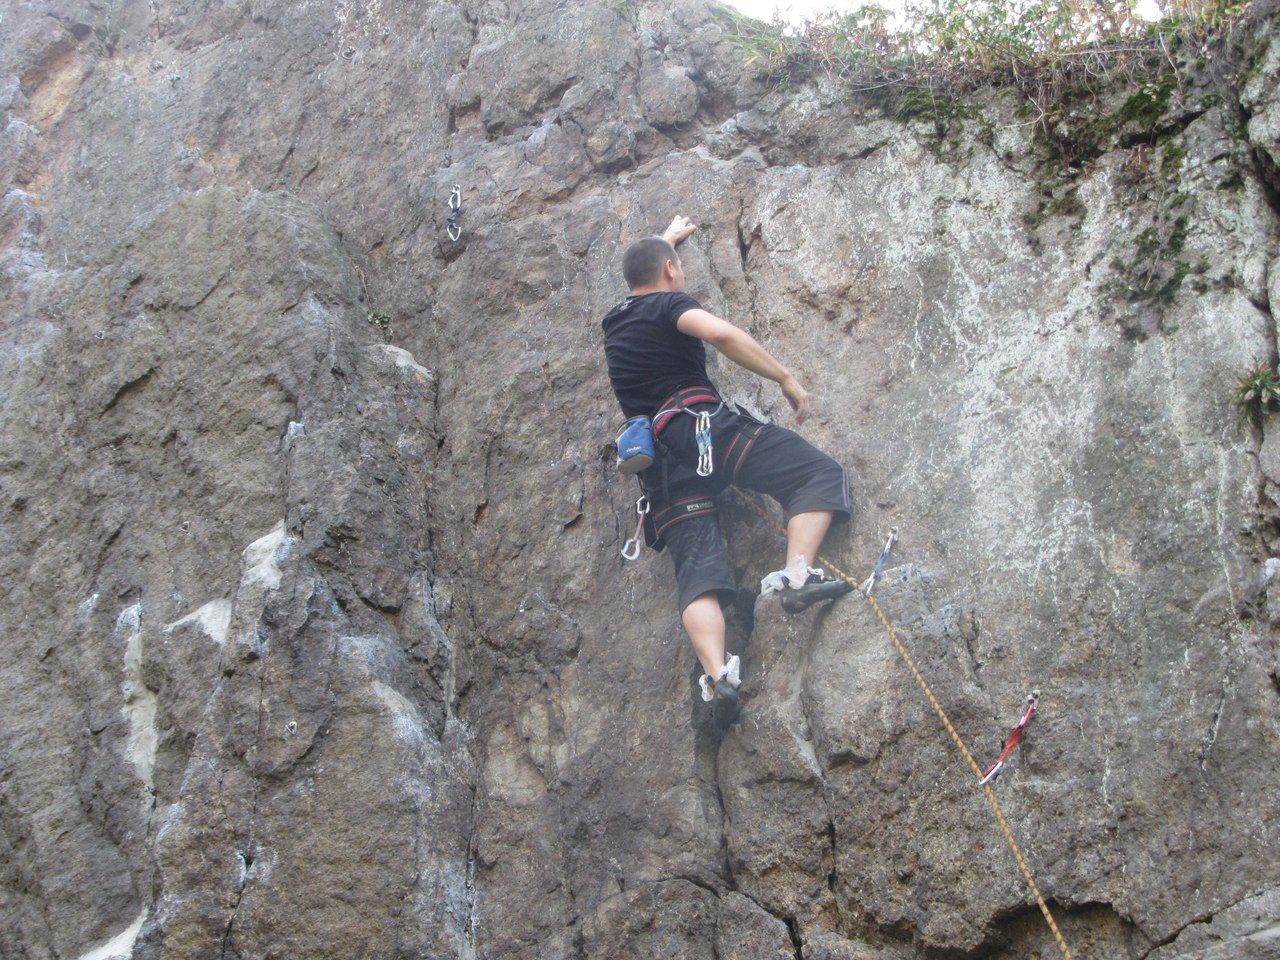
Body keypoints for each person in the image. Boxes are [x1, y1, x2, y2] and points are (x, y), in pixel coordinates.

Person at [601, 215, 854, 722]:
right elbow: (717, 333)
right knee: (816, 474)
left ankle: (718, 677)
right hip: (705, 432)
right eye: (676, 267)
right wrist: (784, 377)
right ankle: (798, 577)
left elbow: (644, 274)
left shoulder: (616, 320)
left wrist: (665, 240)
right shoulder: (669, 304)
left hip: (661, 466)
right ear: (671, 271)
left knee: (697, 570)